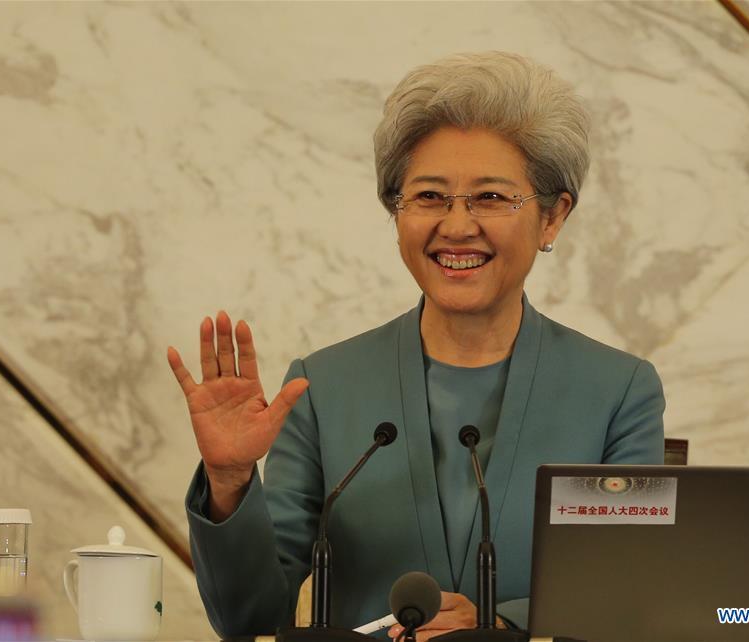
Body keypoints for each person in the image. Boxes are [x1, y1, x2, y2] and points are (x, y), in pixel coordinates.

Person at [167, 51, 664, 640]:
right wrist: (229, 481)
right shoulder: (323, 388)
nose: (456, 226)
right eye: (429, 197)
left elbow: (626, 596)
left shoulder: (616, 392)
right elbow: (251, 620)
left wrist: (498, 623)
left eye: (490, 197)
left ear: (552, 218)